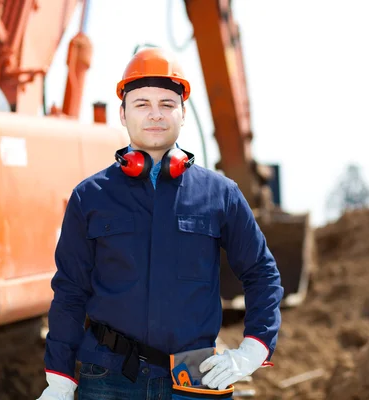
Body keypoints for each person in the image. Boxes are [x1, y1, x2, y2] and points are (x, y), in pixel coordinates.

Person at [36, 47, 284, 400]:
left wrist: (254, 348)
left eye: (167, 104)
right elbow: (70, 291)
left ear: (183, 113)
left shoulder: (221, 194)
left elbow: (262, 273)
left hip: (196, 377)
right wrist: (59, 379)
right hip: (109, 376)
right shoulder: (89, 197)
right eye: (142, 104)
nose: (155, 115)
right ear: (122, 114)